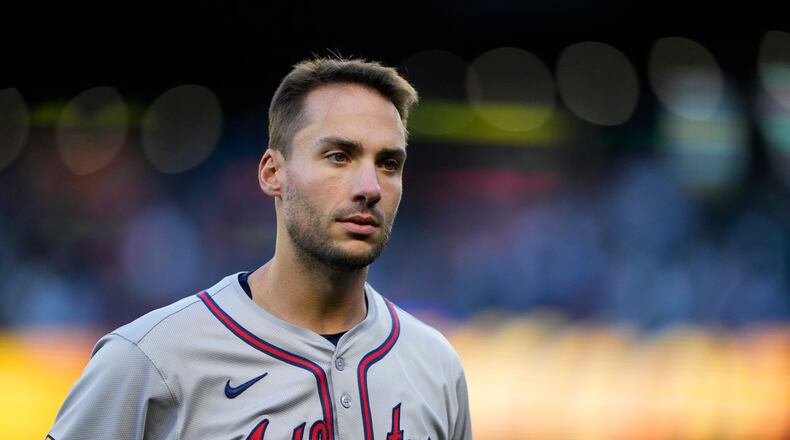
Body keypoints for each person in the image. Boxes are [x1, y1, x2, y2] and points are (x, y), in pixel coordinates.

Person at [48, 56, 472, 439]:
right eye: (339, 156)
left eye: (388, 164)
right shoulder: (150, 359)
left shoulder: (435, 365)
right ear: (273, 173)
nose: (370, 188)